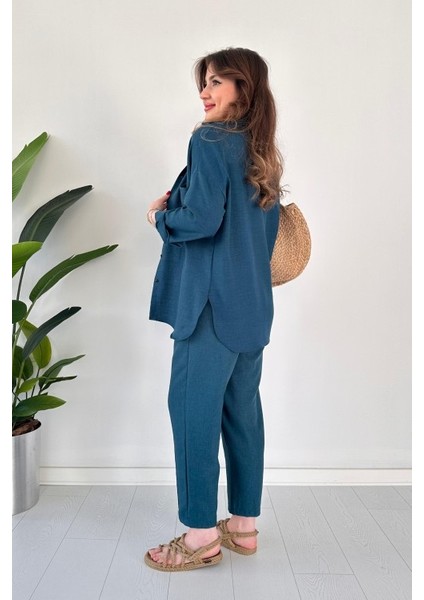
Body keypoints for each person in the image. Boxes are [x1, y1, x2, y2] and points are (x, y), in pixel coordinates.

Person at [144, 47, 284, 572]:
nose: (205, 92)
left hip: (209, 306)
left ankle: (200, 535)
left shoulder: (209, 140)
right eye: (203, 82)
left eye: (217, 81)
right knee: (242, 414)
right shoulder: (262, 151)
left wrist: (160, 218)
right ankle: (243, 528)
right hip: (252, 307)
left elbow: (202, 220)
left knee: (191, 414)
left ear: (244, 87)